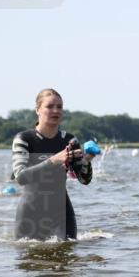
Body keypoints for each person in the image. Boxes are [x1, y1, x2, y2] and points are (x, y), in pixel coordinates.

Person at [11, 88, 94, 240]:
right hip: (30, 212)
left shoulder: (69, 141)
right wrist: (54, 160)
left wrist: (86, 161)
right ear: (38, 110)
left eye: (59, 107)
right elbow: (21, 177)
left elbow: (84, 180)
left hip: (61, 212)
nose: (55, 110)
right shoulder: (24, 139)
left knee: (67, 259)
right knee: (28, 261)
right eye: (50, 106)